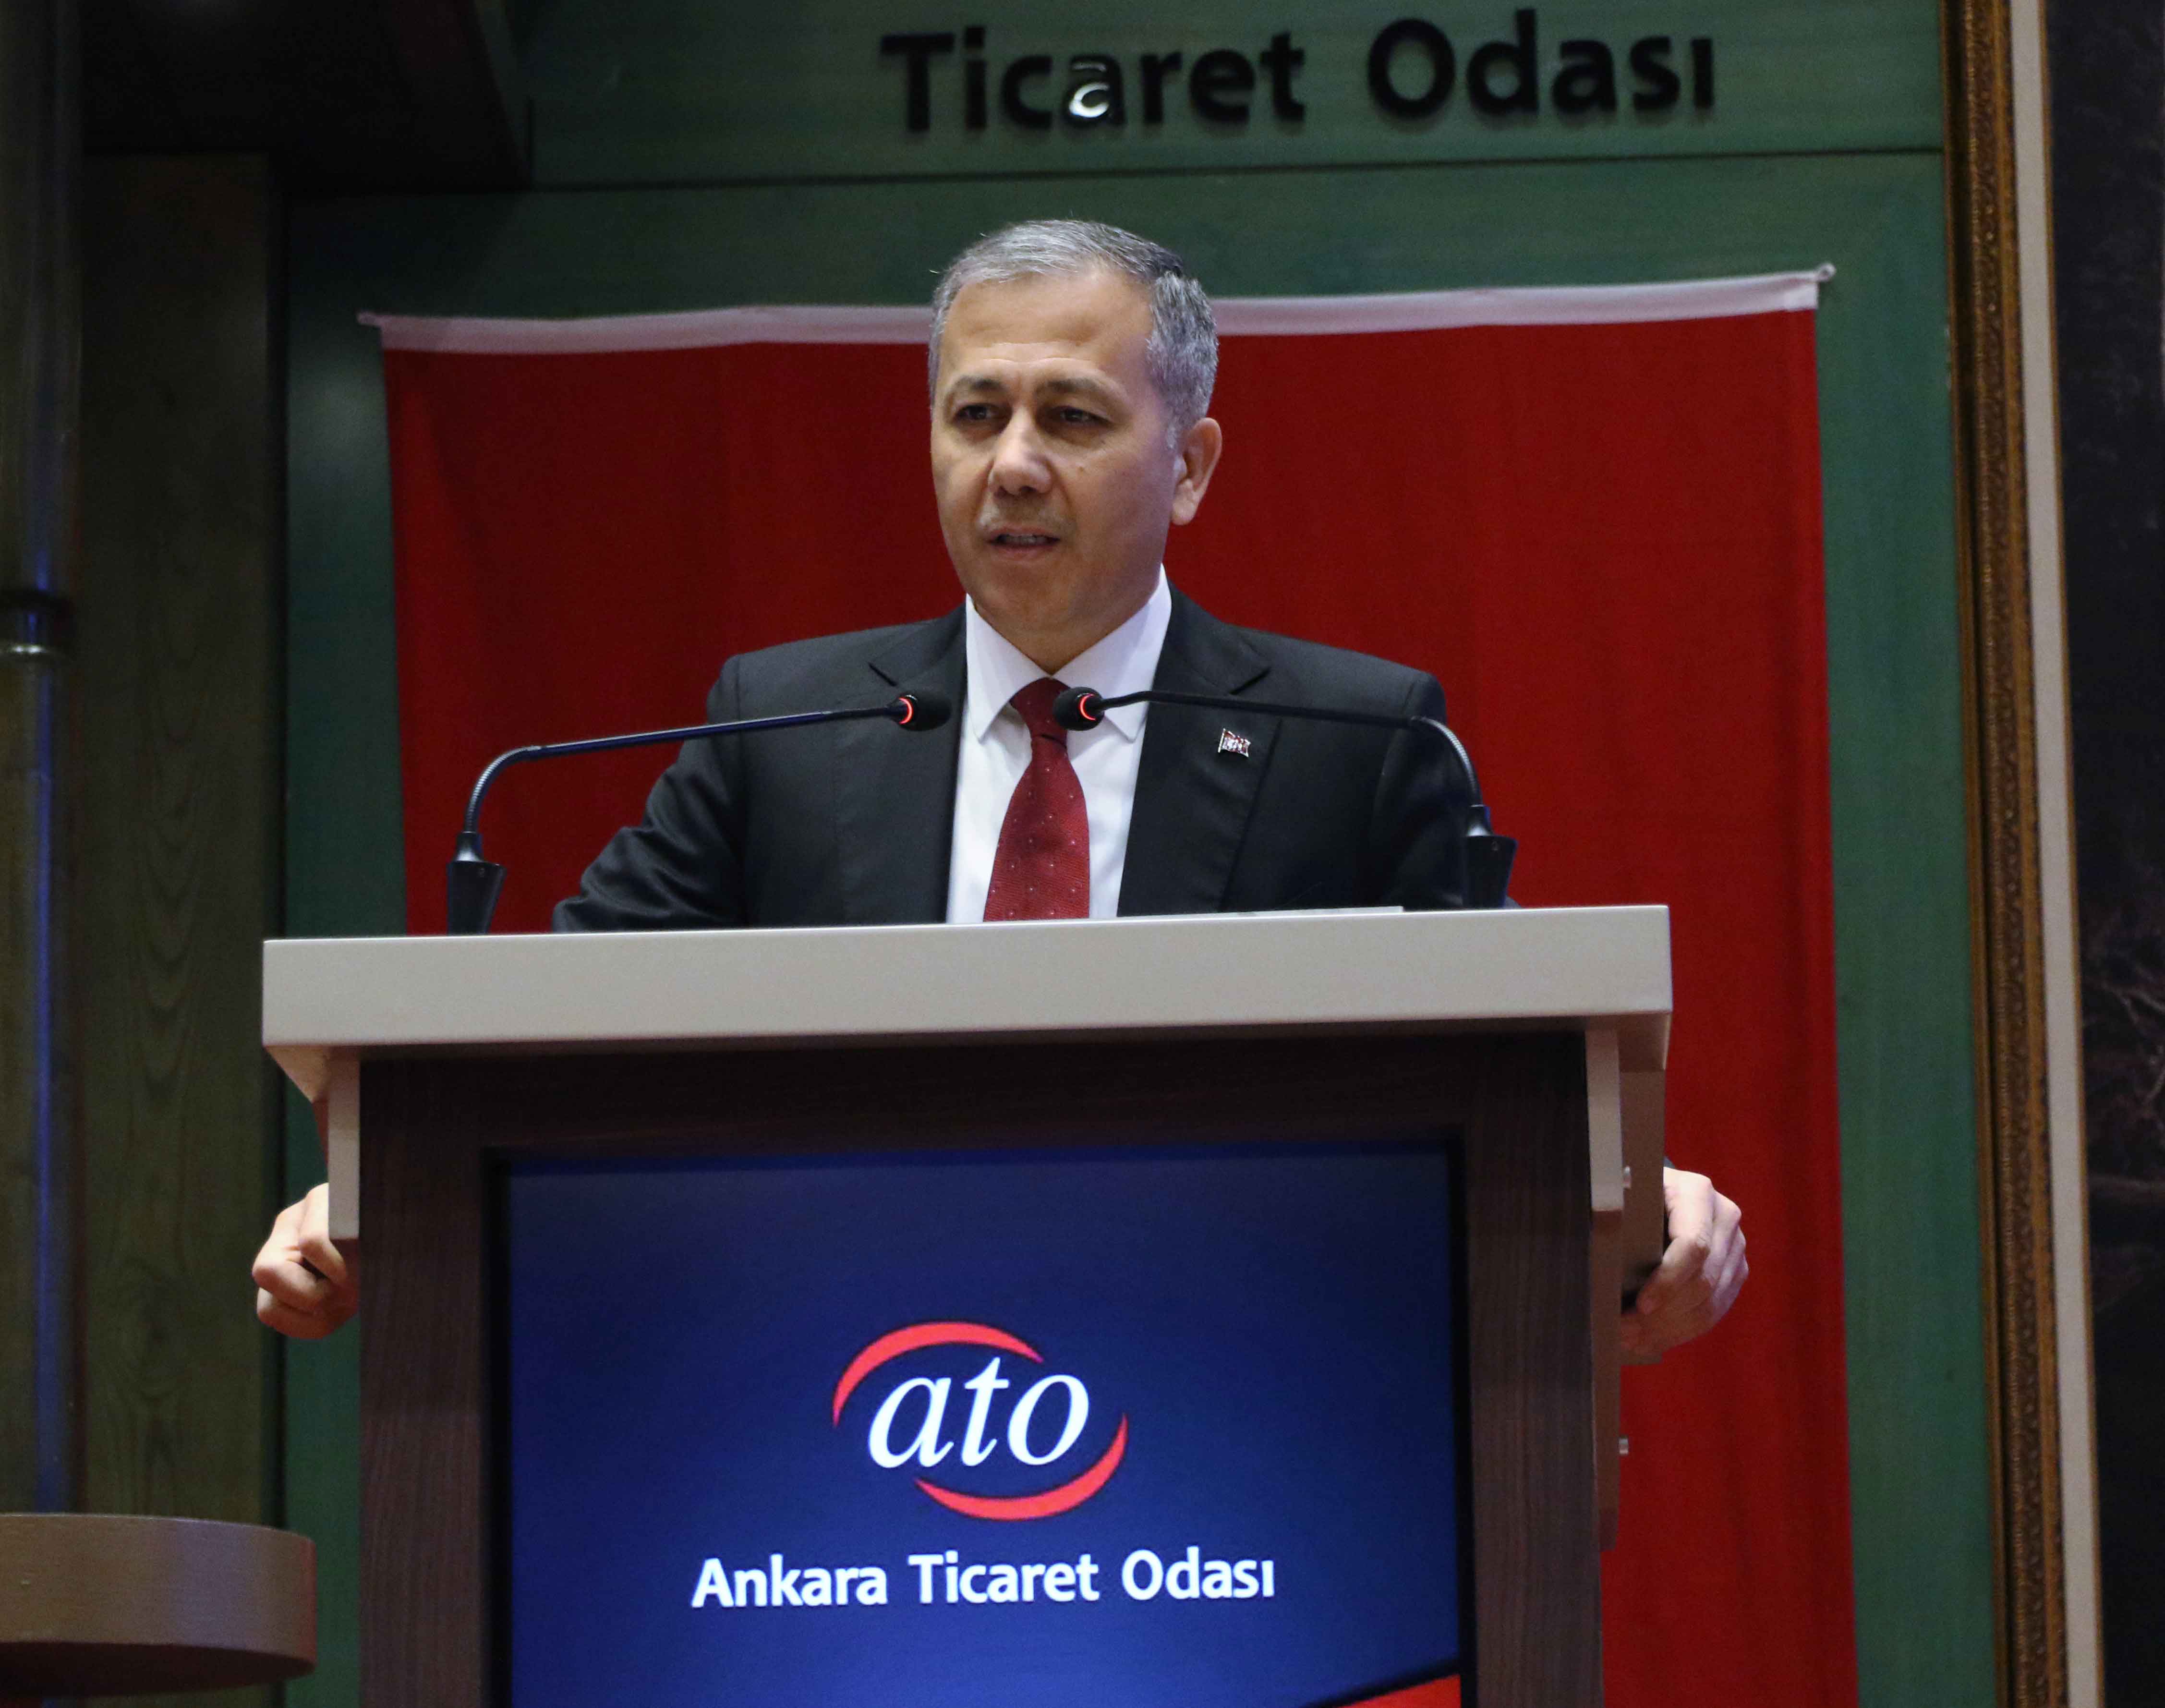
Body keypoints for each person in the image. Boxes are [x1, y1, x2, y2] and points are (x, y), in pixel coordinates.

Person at [255, 219, 1746, 1356]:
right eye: (975, 416)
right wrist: (387, 1194)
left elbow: (1515, 1078)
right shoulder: (784, 727)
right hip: (836, 1367)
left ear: (1191, 466)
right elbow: (545, 1036)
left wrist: (1639, 1209)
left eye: (1073, 418)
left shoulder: (1357, 739)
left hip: (1230, 1367)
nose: (1014, 466)